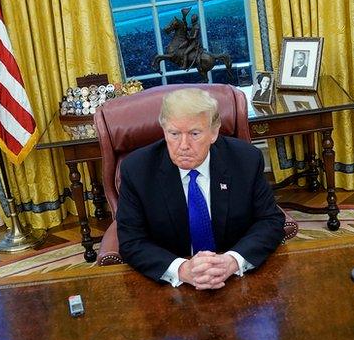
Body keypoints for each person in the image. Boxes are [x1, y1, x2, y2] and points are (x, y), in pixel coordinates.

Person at [117, 88, 284, 289]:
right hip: (170, 285)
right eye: (174, 133)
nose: (183, 145)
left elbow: (270, 221)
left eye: (194, 133)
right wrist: (181, 269)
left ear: (214, 132)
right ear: (164, 130)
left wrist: (232, 261)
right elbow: (131, 241)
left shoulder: (245, 160)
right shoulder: (137, 170)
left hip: (235, 278)